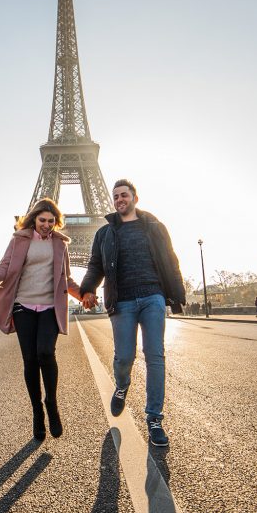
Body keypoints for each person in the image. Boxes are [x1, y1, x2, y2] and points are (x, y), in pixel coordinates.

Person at [80, 179, 186, 447]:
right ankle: (122, 384)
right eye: (115, 196)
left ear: (135, 198)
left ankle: (154, 419)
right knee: (124, 357)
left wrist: (176, 296)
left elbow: (170, 260)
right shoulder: (105, 233)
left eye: (124, 195)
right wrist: (88, 288)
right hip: (123, 301)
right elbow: (95, 265)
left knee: (155, 356)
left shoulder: (154, 226)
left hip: (153, 296)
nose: (119, 200)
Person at [0, 198, 82, 442]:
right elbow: (4, 268)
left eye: (51, 221)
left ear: (56, 222)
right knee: (30, 360)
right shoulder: (19, 240)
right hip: (23, 306)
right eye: (42, 220)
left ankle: (51, 403)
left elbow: (66, 278)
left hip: (49, 308)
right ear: (34, 219)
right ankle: (37, 412)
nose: (46, 225)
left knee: (45, 353)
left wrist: (84, 294)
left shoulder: (59, 244)